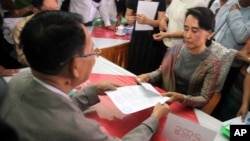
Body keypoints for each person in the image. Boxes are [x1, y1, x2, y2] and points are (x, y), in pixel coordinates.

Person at [0, 10, 170, 141]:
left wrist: (91, 91)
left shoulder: (18, 80)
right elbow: (61, 120)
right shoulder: (78, 129)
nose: (94, 56)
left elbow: (51, 110)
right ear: (75, 66)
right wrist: (154, 119)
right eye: (92, 51)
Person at [136, 7, 221, 108]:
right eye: (186, 29)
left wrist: (182, 98)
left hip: (187, 108)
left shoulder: (212, 63)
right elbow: (162, 71)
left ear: (210, 34)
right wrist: (148, 77)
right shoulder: (177, 49)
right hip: (165, 101)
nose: (188, 35)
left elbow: (204, 98)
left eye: (194, 31)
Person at [209, 0, 250, 120]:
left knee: (216, 101)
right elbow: (215, 25)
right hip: (211, 55)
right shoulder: (231, 2)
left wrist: (235, 12)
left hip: (230, 65)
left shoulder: (234, 8)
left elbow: (241, 36)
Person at [126, 0, 167, 75]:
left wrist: (147, 21)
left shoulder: (161, 1)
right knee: (133, 67)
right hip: (137, 39)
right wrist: (129, 19)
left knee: (149, 69)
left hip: (153, 40)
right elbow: (127, 15)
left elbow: (160, 23)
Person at [13, 0, 59, 66]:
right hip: (39, 66)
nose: (55, 15)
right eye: (50, 12)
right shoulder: (22, 27)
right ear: (36, 11)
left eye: (57, 10)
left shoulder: (64, 22)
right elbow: (23, 57)